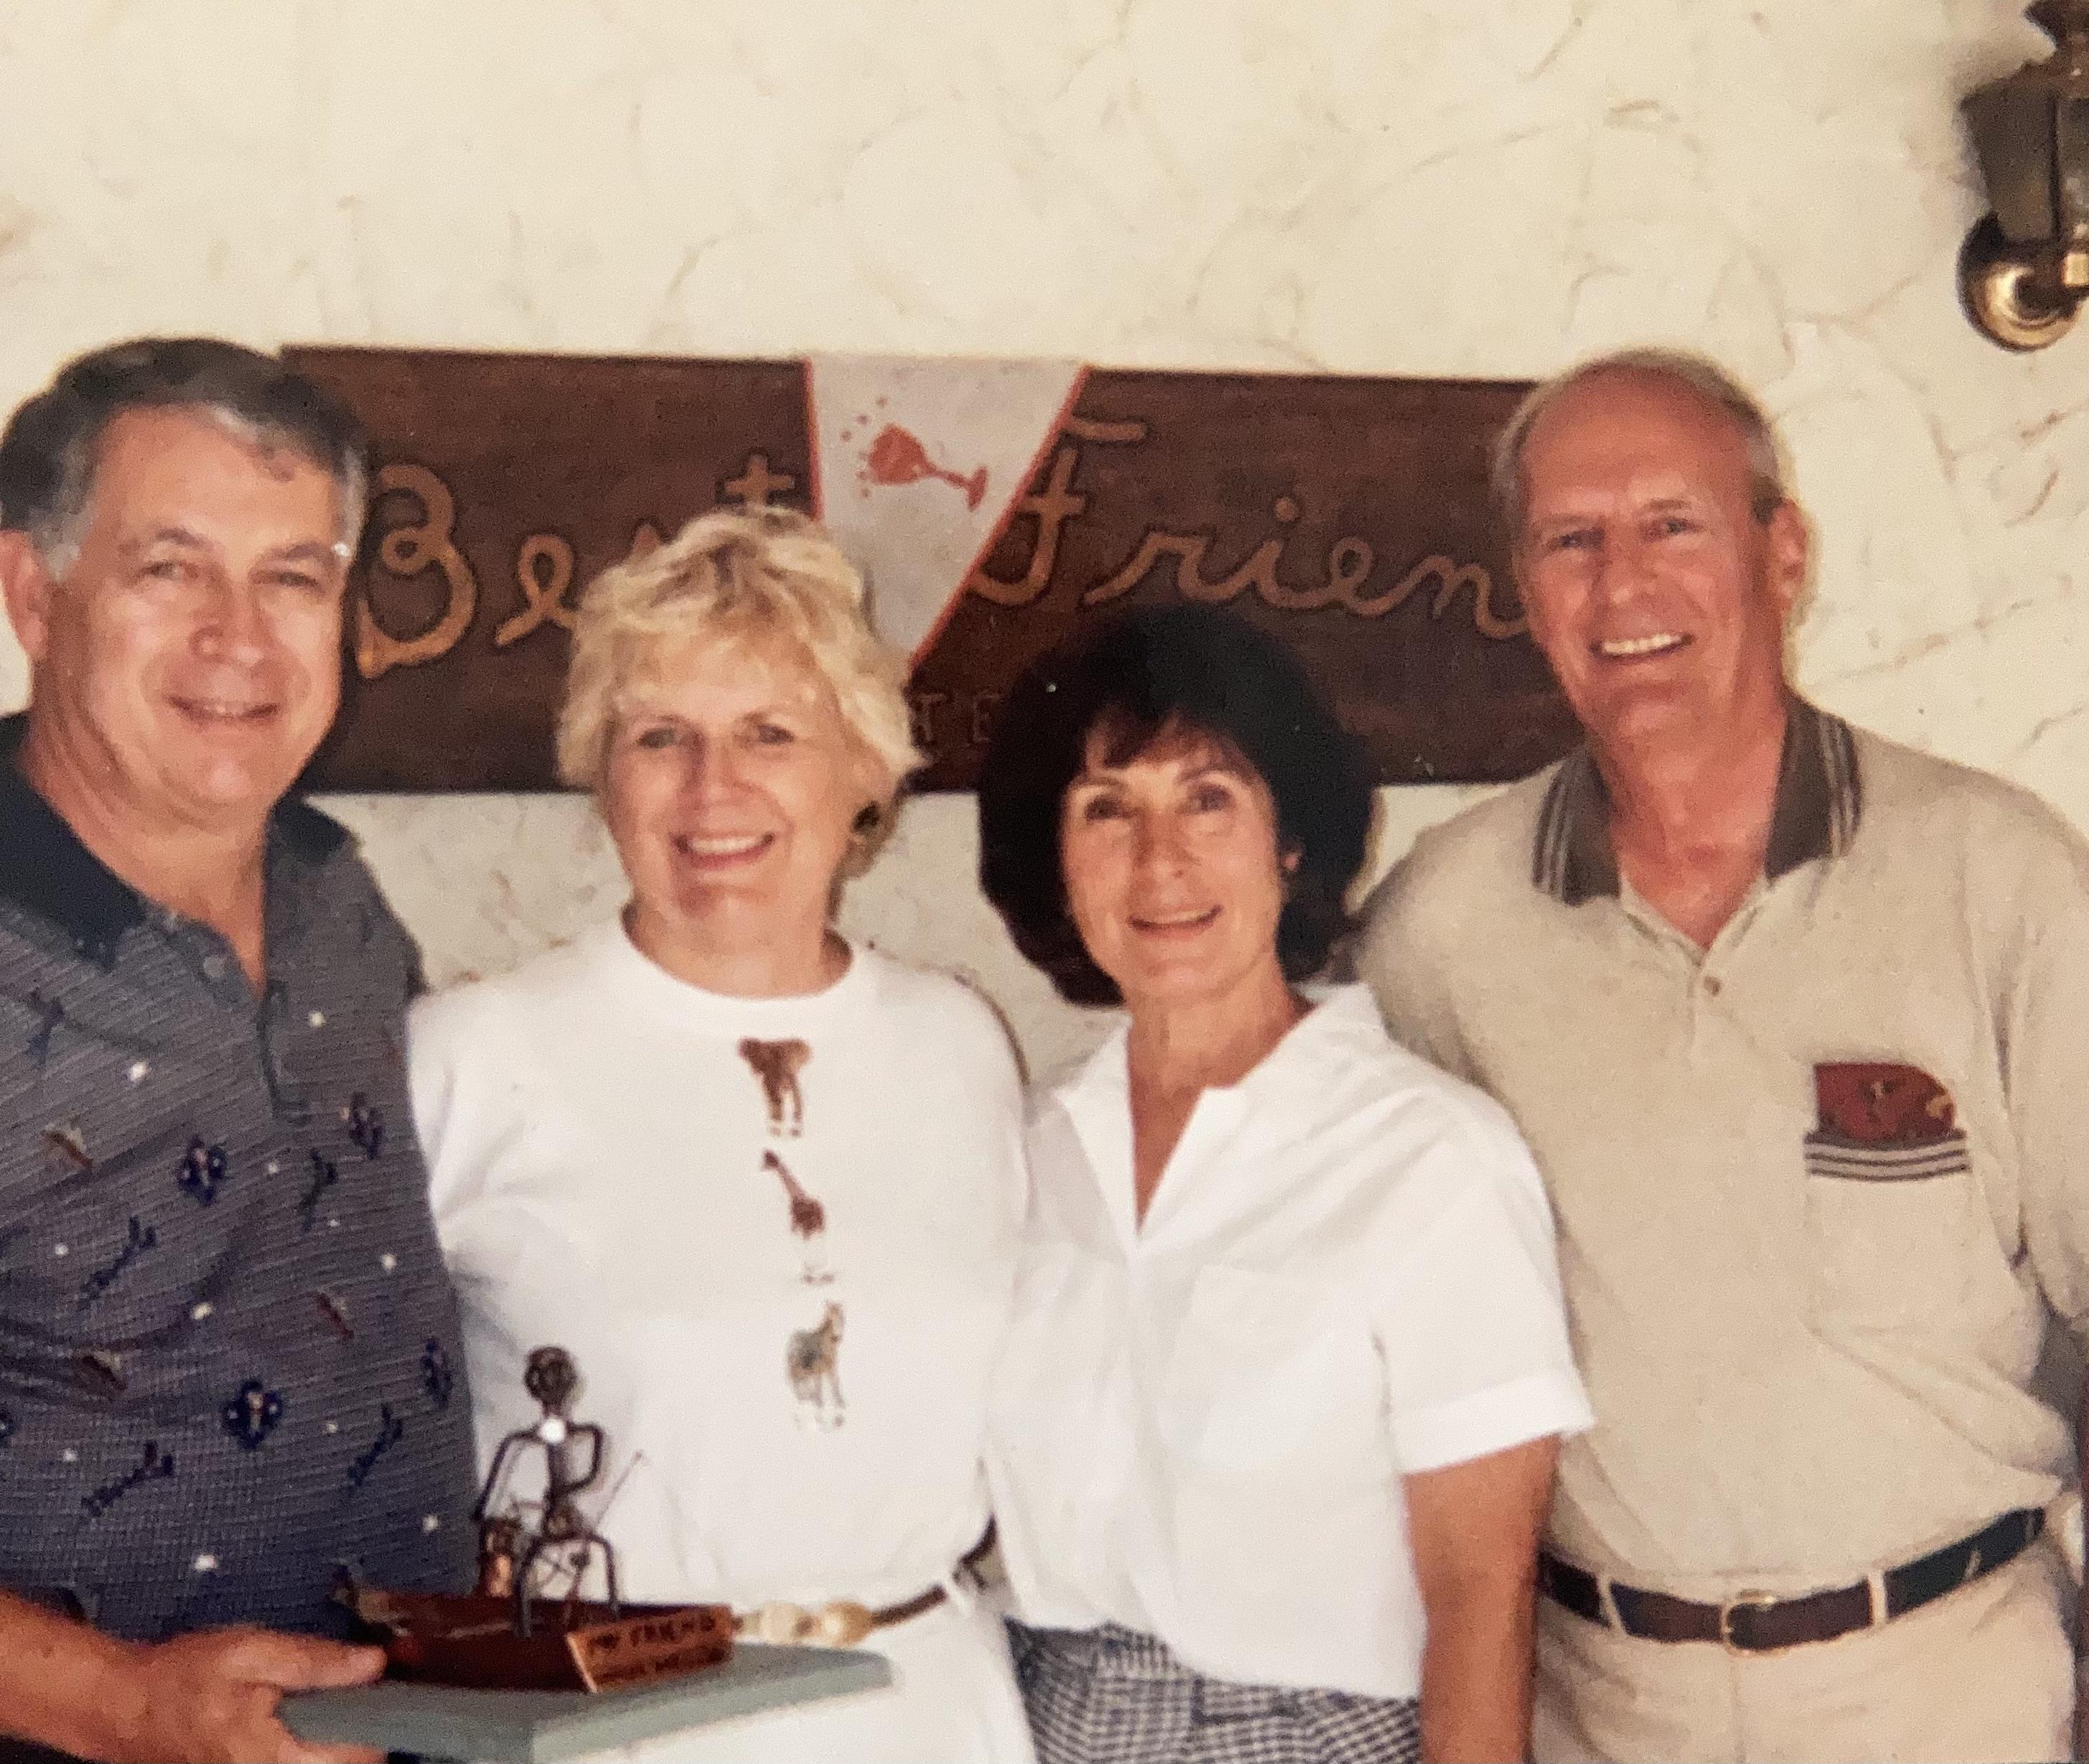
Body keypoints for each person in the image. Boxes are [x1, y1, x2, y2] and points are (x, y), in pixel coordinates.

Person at [1354, 347, 2089, 1763]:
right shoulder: (1441, 933)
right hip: (1601, 1704)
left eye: (1672, 523)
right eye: (1572, 539)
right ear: (1527, 593)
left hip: (1950, 1689)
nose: (1621, 583)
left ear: (1784, 551)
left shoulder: (1999, 879)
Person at [410, 505, 1034, 1763]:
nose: (714, 790)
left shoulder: (957, 1041)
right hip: (619, 1723)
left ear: (863, 771)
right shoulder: (473, 1053)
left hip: (929, 1709)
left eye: (770, 733)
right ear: (602, 775)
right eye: (660, 738)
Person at [976, 602, 1591, 1764]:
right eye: (1107, 809)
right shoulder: (1030, 1144)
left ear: (1291, 841)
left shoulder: (1426, 1157)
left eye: (1208, 798)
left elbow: (1479, 1586)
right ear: (1055, 863)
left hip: (1306, 1734)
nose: (1160, 861)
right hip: (1046, 1717)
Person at [0, 339, 479, 1764]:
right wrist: (125, 1706)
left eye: (293, 576)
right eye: (170, 567)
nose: (240, 637)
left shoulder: (342, 905)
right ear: (33, 591)